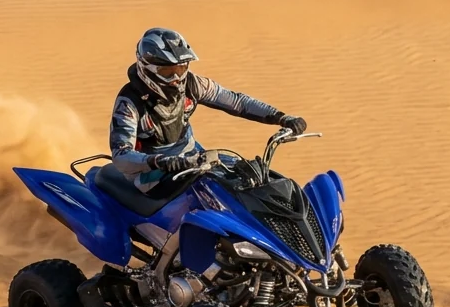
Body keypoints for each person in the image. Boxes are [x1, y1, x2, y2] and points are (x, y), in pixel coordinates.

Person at [109, 27, 307, 192]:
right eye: (167, 72)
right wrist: (160, 161)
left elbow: (237, 102)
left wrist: (281, 117)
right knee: (201, 208)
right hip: (150, 174)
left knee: (246, 179)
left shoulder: (193, 84)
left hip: (193, 157)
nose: (177, 79)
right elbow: (121, 156)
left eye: (181, 69)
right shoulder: (129, 103)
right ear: (147, 68)